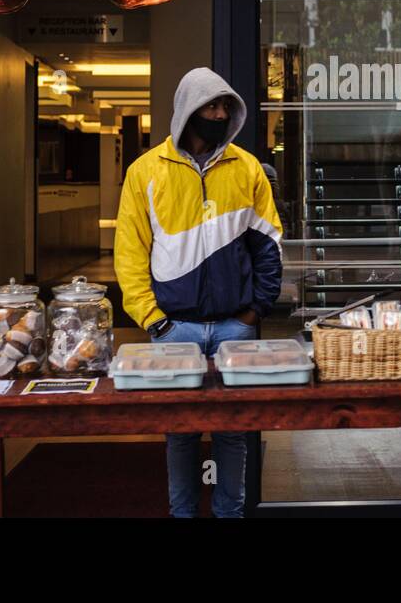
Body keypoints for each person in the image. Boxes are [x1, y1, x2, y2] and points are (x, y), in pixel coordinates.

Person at [114, 67, 283, 517]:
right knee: (180, 431)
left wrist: (256, 310)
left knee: (234, 432)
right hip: (175, 329)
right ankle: (182, 514)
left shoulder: (247, 169)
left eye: (226, 106)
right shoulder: (145, 172)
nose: (220, 113)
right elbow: (129, 253)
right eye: (212, 106)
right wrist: (155, 320)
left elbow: (268, 245)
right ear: (188, 111)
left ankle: (230, 513)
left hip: (235, 326)